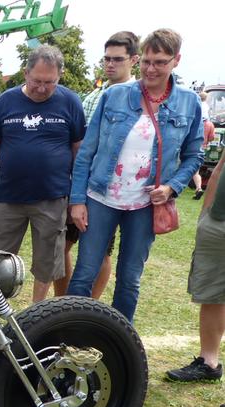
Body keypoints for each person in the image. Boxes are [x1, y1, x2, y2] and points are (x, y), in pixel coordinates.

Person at [67, 29, 204, 324]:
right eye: (147, 61)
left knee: (129, 279)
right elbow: (87, 152)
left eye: (160, 62)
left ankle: (118, 346)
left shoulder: (188, 102)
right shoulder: (114, 95)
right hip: (100, 197)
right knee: (84, 273)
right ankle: (69, 337)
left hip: (145, 206)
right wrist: (77, 200)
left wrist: (172, 187)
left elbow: (195, 156)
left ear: (176, 61)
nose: (151, 69)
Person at [0, 45, 86, 303]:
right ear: (26, 73)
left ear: (59, 76)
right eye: (37, 80)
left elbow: (79, 154)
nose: (42, 87)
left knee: (47, 261)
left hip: (52, 197)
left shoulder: (70, 102)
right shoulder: (6, 101)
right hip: (8, 197)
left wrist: (77, 198)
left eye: (49, 82)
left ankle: (38, 313)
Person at [55, 31, 140, 298]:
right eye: (106, 59)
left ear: (133, 60)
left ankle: (93, 307)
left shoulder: (135, 96)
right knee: (63, 246)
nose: (110, 64)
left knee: (99, 251)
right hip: (79, 184)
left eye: (117, 59)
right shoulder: (96, 93)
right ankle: (61, 305)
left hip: (107, 189)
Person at [165, 150, 224, 385]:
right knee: (211, 293)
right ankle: (208, 362)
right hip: (217, 222)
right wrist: (206, 214)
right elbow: (220, 167)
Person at [191, 91, 215, 200]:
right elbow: (211, 138)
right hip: (202, 148)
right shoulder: (210, 124)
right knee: (196, 170)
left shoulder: (193, 120)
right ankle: (198, 188)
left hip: (191, 147)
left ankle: (198, 188)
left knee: (192, 170)